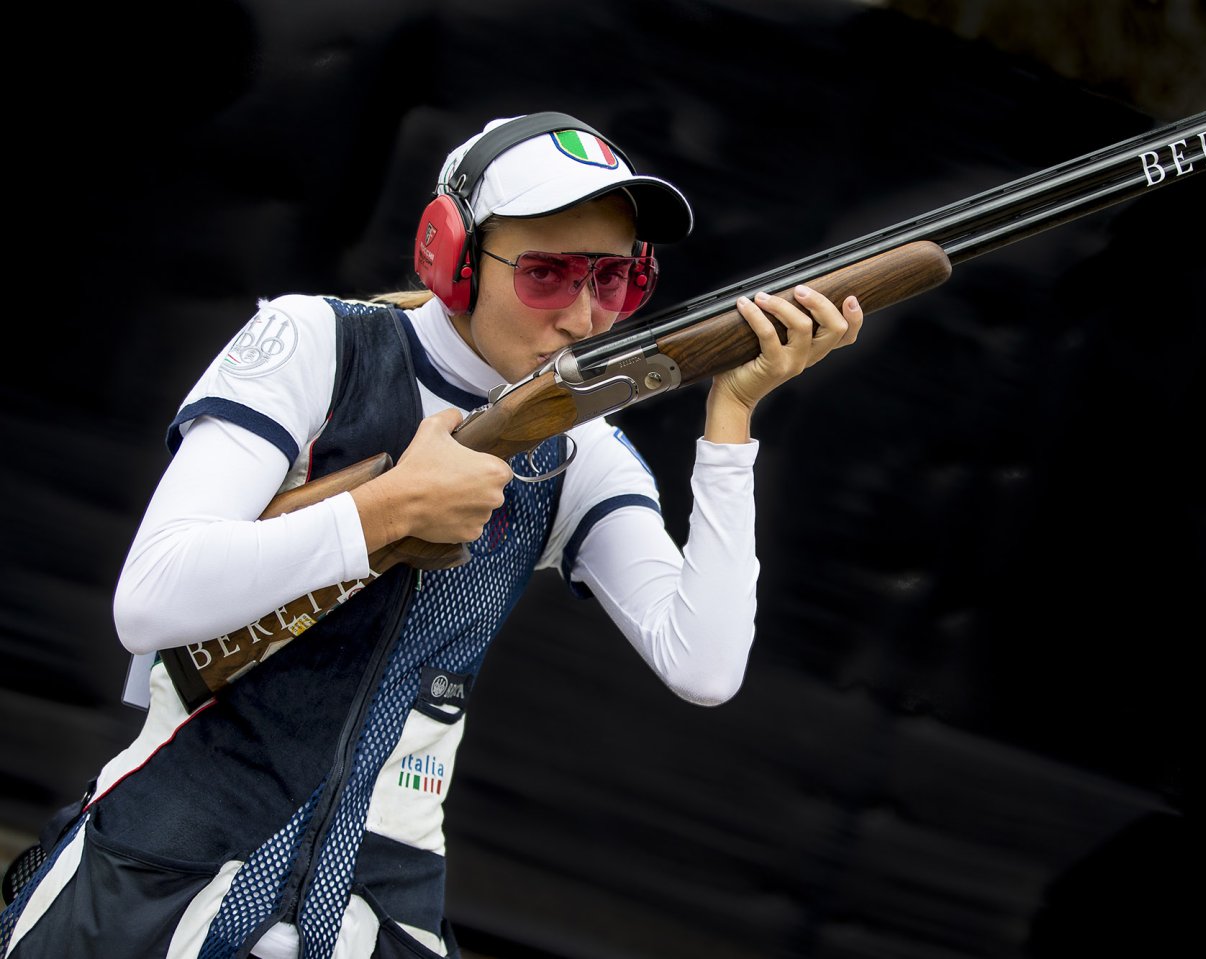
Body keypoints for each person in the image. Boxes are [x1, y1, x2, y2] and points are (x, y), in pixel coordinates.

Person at [0, 112, 862, 959]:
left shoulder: (582, 451)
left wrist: (732, 421)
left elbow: (702, 664)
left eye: (616, 280)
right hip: (158, 877)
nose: (586, 316)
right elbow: (150, 597)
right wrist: (384, 512)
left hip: (374, 908)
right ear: (450, 253)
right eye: (549, 275)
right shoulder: (317, 341)